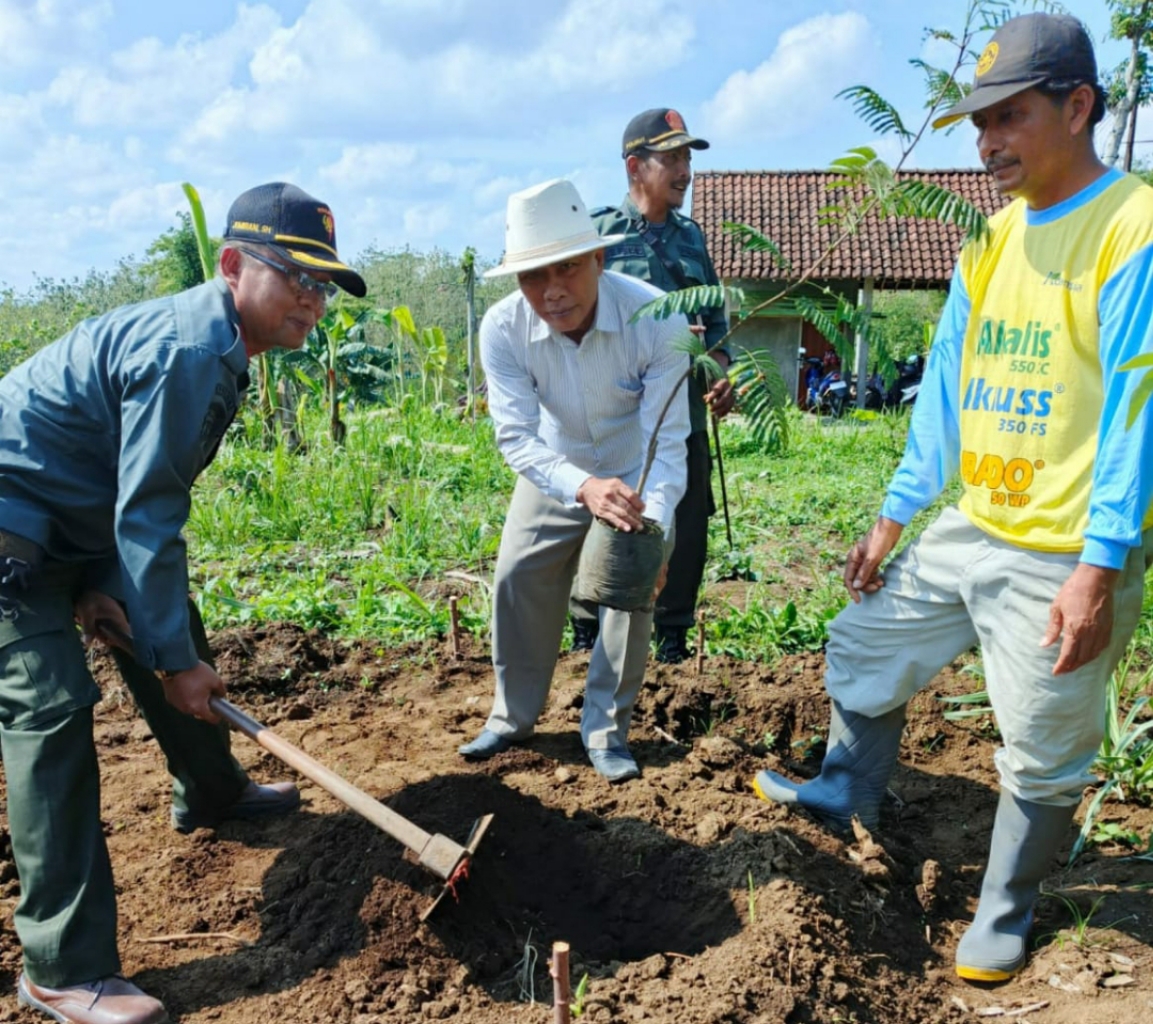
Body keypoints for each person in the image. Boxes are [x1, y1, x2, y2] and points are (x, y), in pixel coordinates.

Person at [751, 12, 1153, 984]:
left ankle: (1006, 908)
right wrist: (894, 517)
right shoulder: (985, 242)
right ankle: (848, 790)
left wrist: (1099, 564)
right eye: (977, 123)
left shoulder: (1130, 227)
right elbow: (943, 392)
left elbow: (1140, 404)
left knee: (1043, 741)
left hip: (1067, 545)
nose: (986, 144)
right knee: (864, 644)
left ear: (1077, 106)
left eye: (1008, 117)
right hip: (974, 522)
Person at [0, 182, 367, 1024]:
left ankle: (210, 791)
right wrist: (168, 658)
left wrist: (117, 596)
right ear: (234, 266)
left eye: (322, 284)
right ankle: (62, 967)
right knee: (49, 712)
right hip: (9, 532)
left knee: (170, 628)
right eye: (294, 277)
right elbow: (149, 512)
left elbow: (121, 488)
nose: (311, 300)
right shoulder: (188, 352)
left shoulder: (222, 345)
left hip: (69, 520)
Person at [458, 178, 690, 782]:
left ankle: (607, 730)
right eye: (534, 277)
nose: (552, 292)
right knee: (517, 575)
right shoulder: (503, 329)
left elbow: (669, 442)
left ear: (599, 258)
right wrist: (581, 486)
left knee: (626, 589)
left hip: (634, 473)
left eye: (566, 269)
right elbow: (515, 435)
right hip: (556, 467)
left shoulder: (658, 321)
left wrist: (654, 530)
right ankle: (512, 717)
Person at [569, 108, 736, 664]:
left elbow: (714, 321)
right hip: (615, 403)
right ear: (636, 167)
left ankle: (672, 634)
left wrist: (720, 370)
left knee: (686, 515)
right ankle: (589, 625)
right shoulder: (599, 233)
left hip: (679, 403)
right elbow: (574, 311)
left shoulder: (691, 239)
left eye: (689, 158)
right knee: (606, 504)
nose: (685, 170)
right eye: (674, 158)